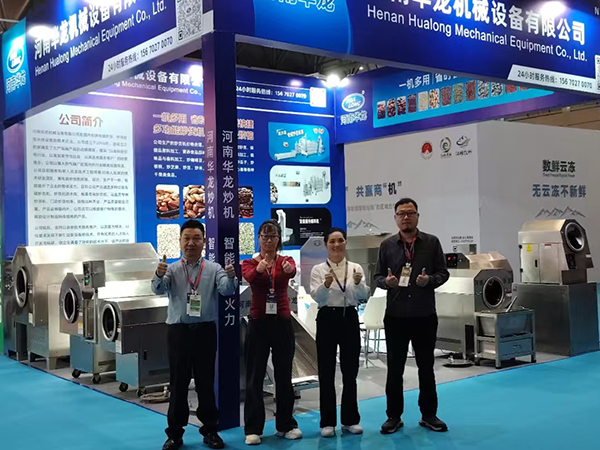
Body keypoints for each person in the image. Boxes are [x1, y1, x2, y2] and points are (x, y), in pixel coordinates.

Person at [152, 220, 238, 450]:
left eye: (196, 238)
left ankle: (210, 431)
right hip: (178, 332)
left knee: (205, 383)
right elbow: (158, 289)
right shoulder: (171, 269)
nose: (191, 243)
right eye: (186, 238)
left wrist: (231, 277)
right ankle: (174, 434)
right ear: (180, 241)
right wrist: (158, 275)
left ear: (204, 242)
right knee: (178, 384)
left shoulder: (214, 268)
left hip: (205, 332)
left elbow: (226, 290)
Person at [374, 198, 450, 434]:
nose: (406, 217)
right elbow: (377, 277)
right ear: (395, 218)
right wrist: (386, 282)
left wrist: (430, 281)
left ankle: (429, 415)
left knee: (426, 367)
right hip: (395, 316)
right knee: (394, 369)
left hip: (424, 314)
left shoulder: (432, 243)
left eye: (410, 213)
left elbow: (443, 273)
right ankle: (393, 416)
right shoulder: (387, 246)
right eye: (401, 214)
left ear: (418, 216)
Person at [241, 219, 302, 445]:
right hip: (258, 323)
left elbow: (292, 271)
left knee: (284, 375)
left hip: (282, 322)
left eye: (273, 236)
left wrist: (289, 270)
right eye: (265, 236)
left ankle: (286, 424)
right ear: (258, 239)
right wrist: (259, 270)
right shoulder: (249, 263)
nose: (268, 240)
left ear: (279, 240)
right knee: (254, 376)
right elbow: (249, 276)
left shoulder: (286, 261)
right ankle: (253, 428)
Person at [310, 227, 370, 438]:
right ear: (326, 245)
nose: (337, 245)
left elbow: (364, 295)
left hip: (349, 317)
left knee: (350, 372)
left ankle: (350, 420)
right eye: (332, 241)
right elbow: (316, 297)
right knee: (326, 372)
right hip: (327, 318)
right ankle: (327, 422)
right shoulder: (318, 269)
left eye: (340, 240)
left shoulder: (355, 268)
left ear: (345, 243)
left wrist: (358, 284)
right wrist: (325, 285)